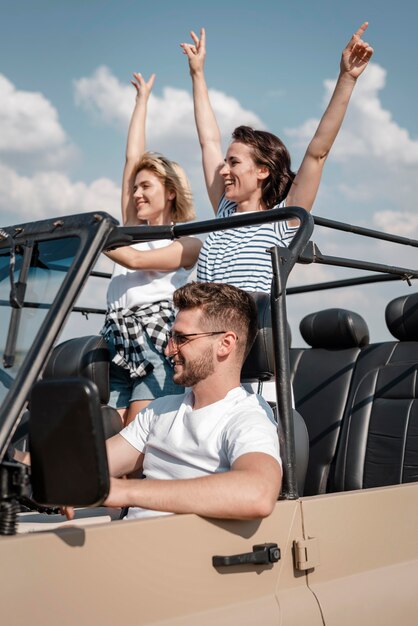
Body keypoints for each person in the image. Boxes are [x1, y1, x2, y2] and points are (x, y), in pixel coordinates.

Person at [180, 23, 374, 292]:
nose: (223, 170)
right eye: (225, 162)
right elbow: (208, 141)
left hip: (244, 327)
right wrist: (197, 73)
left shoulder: (282, 220)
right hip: (204, 321)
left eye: (234, 162)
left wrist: (347, 78)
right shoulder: (225, 211)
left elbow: (318, 153)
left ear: (262, 171)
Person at [66, 282, 282, 521]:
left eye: (181, 338)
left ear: (225, 344)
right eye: (171, 337)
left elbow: (258, 494)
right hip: (130, 542)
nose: (169, 350)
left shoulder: (248, 417)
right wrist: (24, 463)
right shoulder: (159, 410)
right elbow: (87, 467)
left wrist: (125, 491)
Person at [102, 72, 202, 426]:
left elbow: (135, 259)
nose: (136, 194)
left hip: (155, 336)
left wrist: (97, 238)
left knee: (138, 432)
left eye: (146, 186)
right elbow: (131, 160)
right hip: (117, 337)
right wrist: (141, 100)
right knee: (108, 434)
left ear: (170, 191)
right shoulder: (130, 230)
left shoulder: (186, 242)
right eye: (134, 189)